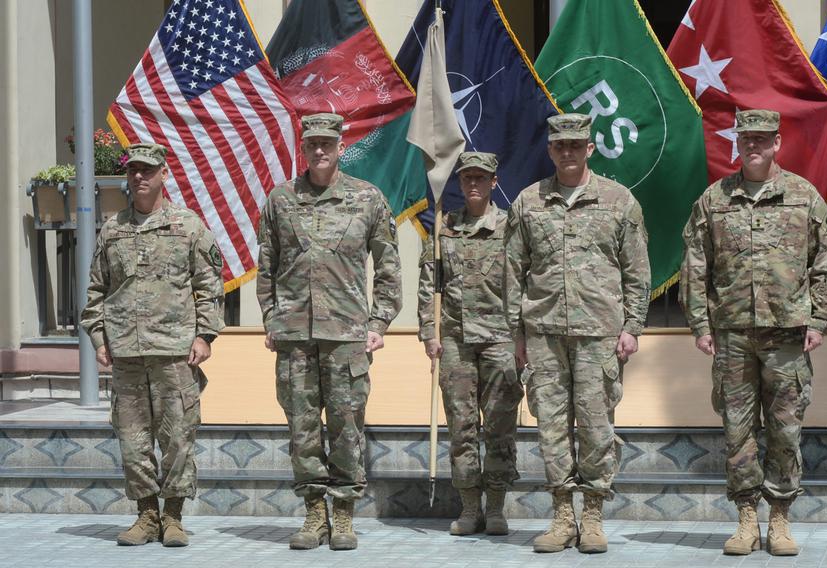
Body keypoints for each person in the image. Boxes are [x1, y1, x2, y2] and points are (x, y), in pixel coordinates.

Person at [679, 109, 827, 556]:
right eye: (746, 138)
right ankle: (747, 518)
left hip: (787, 333)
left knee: (785, 429)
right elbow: (696, 266)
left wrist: (819, 319)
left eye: (762, 138)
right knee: (737, 430)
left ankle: (781, 519)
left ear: (777, 143)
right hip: (731, 335)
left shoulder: (802, 196)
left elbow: (825, 261)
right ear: (738, 143)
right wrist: (699, 324)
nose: (753, 145)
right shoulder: (714, 200)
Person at [503, 114, 650, 553]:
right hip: (544, 332)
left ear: (590, 148)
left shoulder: (619, 201)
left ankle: (593, 517)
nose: (567, 152)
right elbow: (513, 271)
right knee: (550, 427)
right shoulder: (529, 202)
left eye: (576, 145)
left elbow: (637, 270)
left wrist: (633, 327)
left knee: (595, 426)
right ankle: (562, 515)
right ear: (550, 150)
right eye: (559, 146)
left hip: (598, 333)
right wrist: (517, 334)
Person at [256, 112, 402, 551]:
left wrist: (378, 323)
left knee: (345, 426)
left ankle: (343, 514)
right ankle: (313, 513)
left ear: (341, 146)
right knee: (301, 427)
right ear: (303, 148)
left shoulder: (367, 199)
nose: (320, 150)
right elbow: (267, 267)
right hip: (295, 336)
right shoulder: (280, 200)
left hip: (347, 336)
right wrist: (271, 318)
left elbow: (389, 268)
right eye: (312, 144)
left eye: (327, 143)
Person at [81, 143, 225, 547]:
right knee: (132, 438)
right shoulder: (113, 230)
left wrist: (204, 335)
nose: (139, 177)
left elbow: (209, 285)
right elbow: (96, 290)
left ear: (164, 174)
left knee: (178, 437)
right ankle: (146, 515)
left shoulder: (188, 225)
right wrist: (98, 338)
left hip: (175, 351)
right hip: (126, 352)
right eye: (133, 171)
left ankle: (174, 516)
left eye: (147, 170)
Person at [417, 152, 524, 536]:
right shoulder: (445, 228)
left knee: (499, 427)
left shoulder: (510, 227)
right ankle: (468, 508)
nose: (473, 184)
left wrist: (522, 338)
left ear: (494, 182)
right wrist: (430, 333)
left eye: (481, 177)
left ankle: (495, 508)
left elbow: (524, 282)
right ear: (460, 184)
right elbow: (429, 286)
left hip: (499, 340)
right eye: (467, 178)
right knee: (461, 429)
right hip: (457, 342)